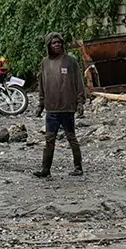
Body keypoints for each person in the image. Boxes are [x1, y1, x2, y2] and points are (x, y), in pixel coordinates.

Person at [34, 33, 87, 178]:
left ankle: (78, 167)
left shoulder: (71, 62)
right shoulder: (45, 63)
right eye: (53, 43)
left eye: (59, 42)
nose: (57, 45)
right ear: (48, 46)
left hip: (67, 107)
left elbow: (79, 82)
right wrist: (40, 104)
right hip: (51, 108)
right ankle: (46, 169)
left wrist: (80, 102)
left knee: (71, 138)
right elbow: (42, 85)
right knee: (49, 140)